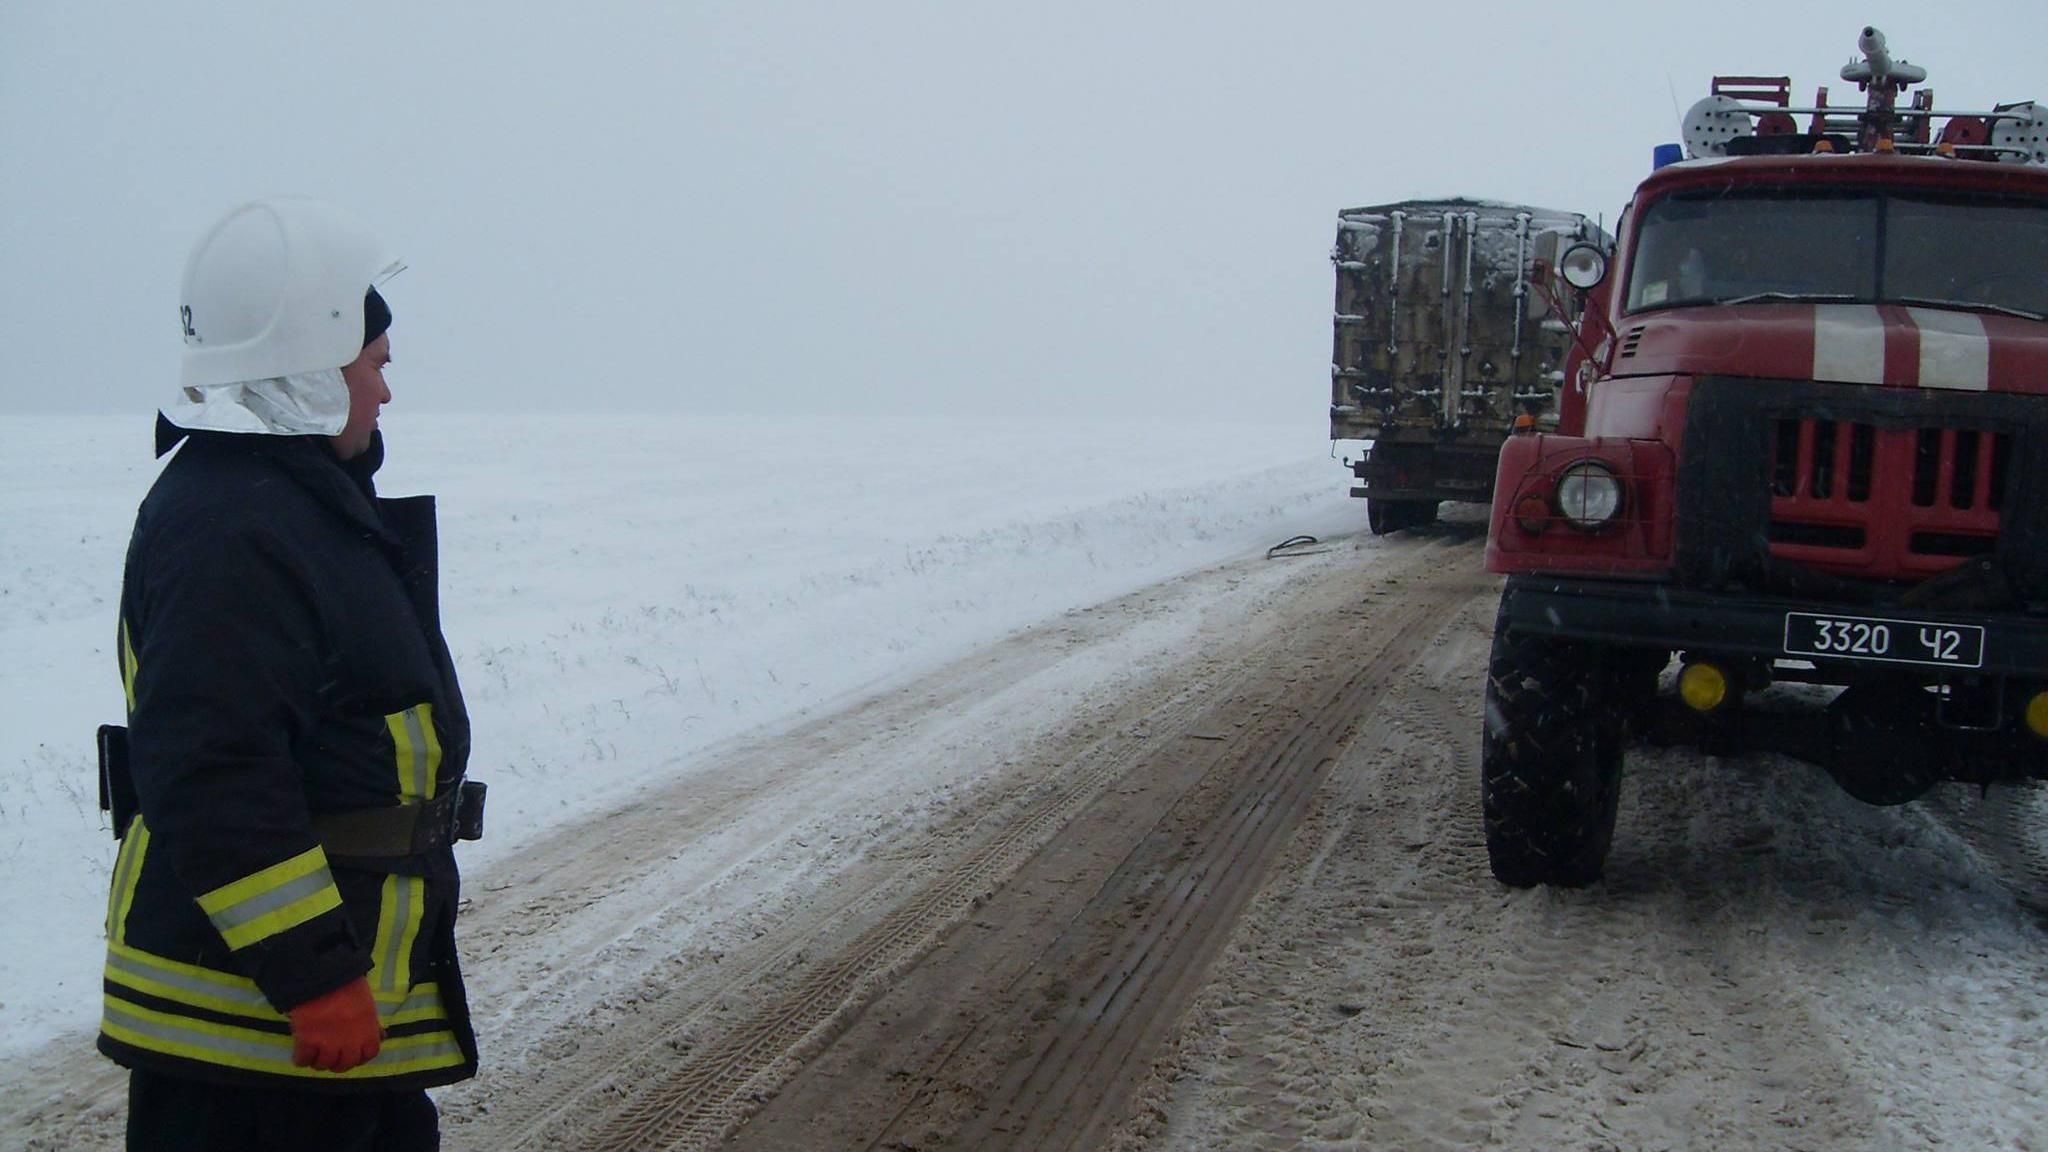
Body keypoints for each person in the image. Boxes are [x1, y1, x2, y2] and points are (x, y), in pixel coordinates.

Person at [98, 197, 481, 1151]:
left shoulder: (292, 504)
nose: (386, 393)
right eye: (375, 363)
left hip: (305, 1034)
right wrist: (314, 974)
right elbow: (213, 768)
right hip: (256, 1041)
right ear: (311, 360)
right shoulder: (235, 528)